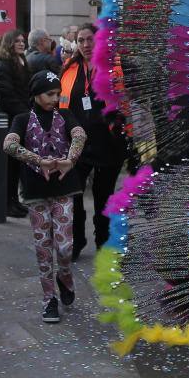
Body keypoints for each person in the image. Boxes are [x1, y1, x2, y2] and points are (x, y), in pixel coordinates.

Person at [3, 70, 86, 323]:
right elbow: (8, 144)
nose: (55, 98)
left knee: (64, 246)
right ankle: (48, 298)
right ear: (36, 94)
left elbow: (80, 134)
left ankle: (65, 276)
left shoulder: (65, 115)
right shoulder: (22, 119)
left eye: (57, 93)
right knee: (42, 247)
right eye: (50, 94)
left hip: (63, 188)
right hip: (35, 192)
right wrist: (38, 160)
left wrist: (70, 160)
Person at [61, 24, 127, 259]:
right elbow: (63, 104)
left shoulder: (113, 67)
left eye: (90, 40)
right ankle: (77, 241)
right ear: (76, 44)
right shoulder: (70, 69)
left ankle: (103, 242)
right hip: (78, 144)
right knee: (74, 195)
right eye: (81, 40)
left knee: (103, 197)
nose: (86, 45)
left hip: (108, 143)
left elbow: (124, 103)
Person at [0, 29, 31, 218]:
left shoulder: (22, 61)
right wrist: (26, 113)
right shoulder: (3, 64)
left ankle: (14, 201)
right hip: (8, 119)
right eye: (17, 41)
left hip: (20, 116)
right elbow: (6, 95)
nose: (22, 44)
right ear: (9, 43)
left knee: (17, 163)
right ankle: (7, 204)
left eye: (23, 40)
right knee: (8, 164)